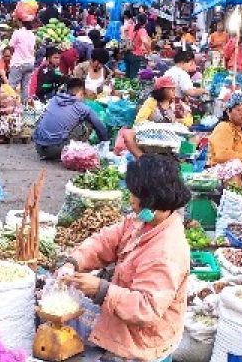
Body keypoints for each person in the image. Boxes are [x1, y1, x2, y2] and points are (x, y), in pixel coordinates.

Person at [57, 153, 191, 362]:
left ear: (151, 199)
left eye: (134, 195)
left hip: (143, 340)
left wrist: (101, 290)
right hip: (124, 321)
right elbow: (105, 241)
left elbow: (146, 308)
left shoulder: (166, 251)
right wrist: (74, 262)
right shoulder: (144, 221)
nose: (130, 200)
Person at [33, 78, 110, 161]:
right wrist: (105, 143)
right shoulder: (82, 107)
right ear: (80, 93)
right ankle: (76, 150)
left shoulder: (54, 100)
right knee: (87, 124)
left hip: (39, 147)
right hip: (58, 150)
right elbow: (100, 128)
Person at [8, 20, 38, 97]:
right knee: (25, 87)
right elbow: (33, 48)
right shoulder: (32, 34)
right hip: (30, 63)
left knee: (12, 86)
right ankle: (24, 106)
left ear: (20, 22)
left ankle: (9, 106)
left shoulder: (17, 33)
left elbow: (10, 46)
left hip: (18, 63)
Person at [124, 14, 152, 79]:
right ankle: (130, 88)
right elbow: (144, 41)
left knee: (127, 75)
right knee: (133, 77)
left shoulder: (132, 27)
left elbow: (125, 31)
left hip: (127, 53)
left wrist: (127, 39)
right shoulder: (142, 30)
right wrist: (149, 51)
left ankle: (125, 88)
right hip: (135, 56)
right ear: (146, 21)